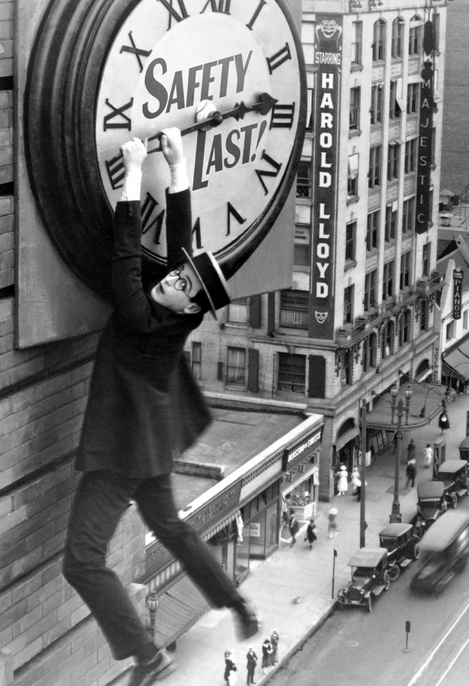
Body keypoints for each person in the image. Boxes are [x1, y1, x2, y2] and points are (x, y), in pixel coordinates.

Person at [62, 129, 259, 686]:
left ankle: (147, 657)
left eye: (178, 283)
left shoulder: (143, 317)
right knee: (170, 526)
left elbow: (126, 257)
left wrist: (129, 174)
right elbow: (179, 251)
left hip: (122, 453)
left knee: (82, 561)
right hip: (148, 443)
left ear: (188, 303)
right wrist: (179, 168)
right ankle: (237, 606)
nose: (169, 278)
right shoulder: (176, 311)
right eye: (174, 275)